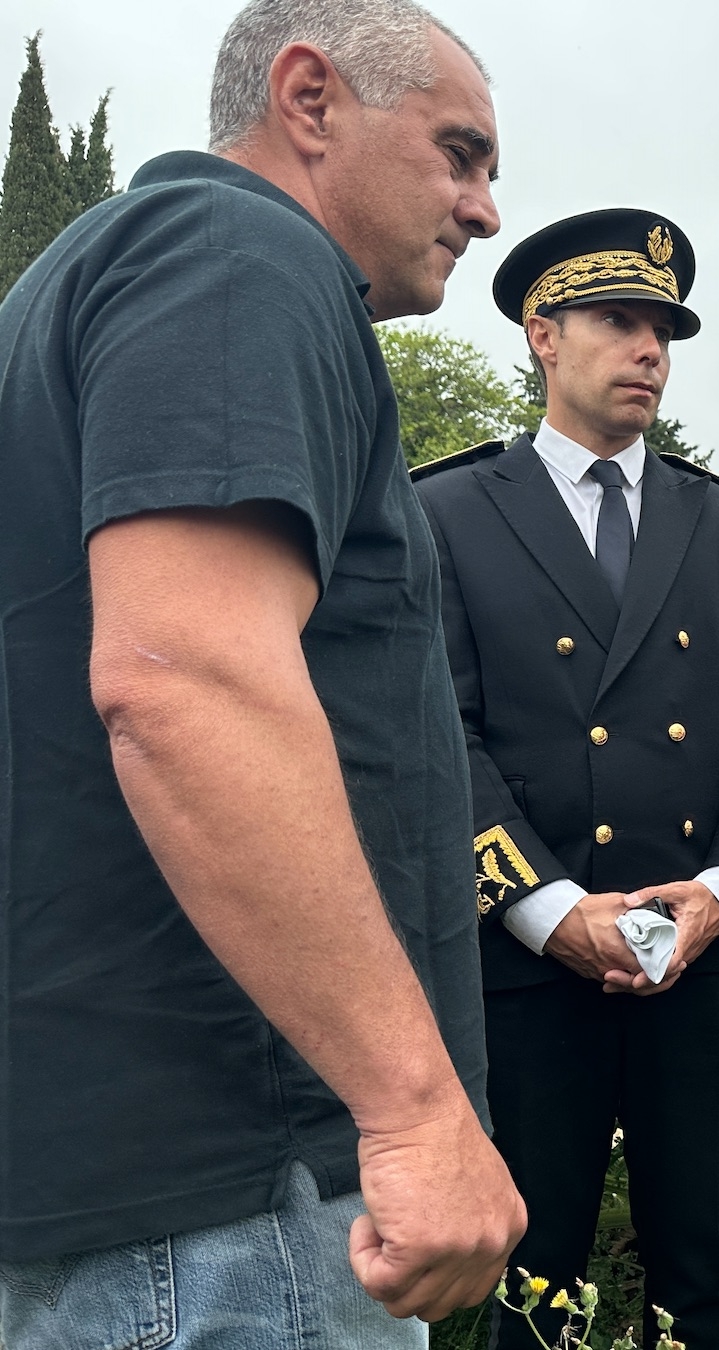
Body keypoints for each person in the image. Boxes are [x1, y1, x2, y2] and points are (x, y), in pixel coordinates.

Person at [0, 2, 525, 1347]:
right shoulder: (237, 254)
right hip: (229, 1207)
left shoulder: (70, 291)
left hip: (125, 1195)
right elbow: (185, 680)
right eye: (460, 154)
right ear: (309, 100)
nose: (481, 210)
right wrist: (413, 1108)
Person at [413, 210, 719, 1350]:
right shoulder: (447, 513)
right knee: (533, 1287)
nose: (649, 351)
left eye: (663, 332)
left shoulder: (717, 520)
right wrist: (544, 910)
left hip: (695, 948)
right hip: (533, 959)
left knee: (699, 1276)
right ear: (542, 334)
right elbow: (446, 735)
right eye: (620, 323)